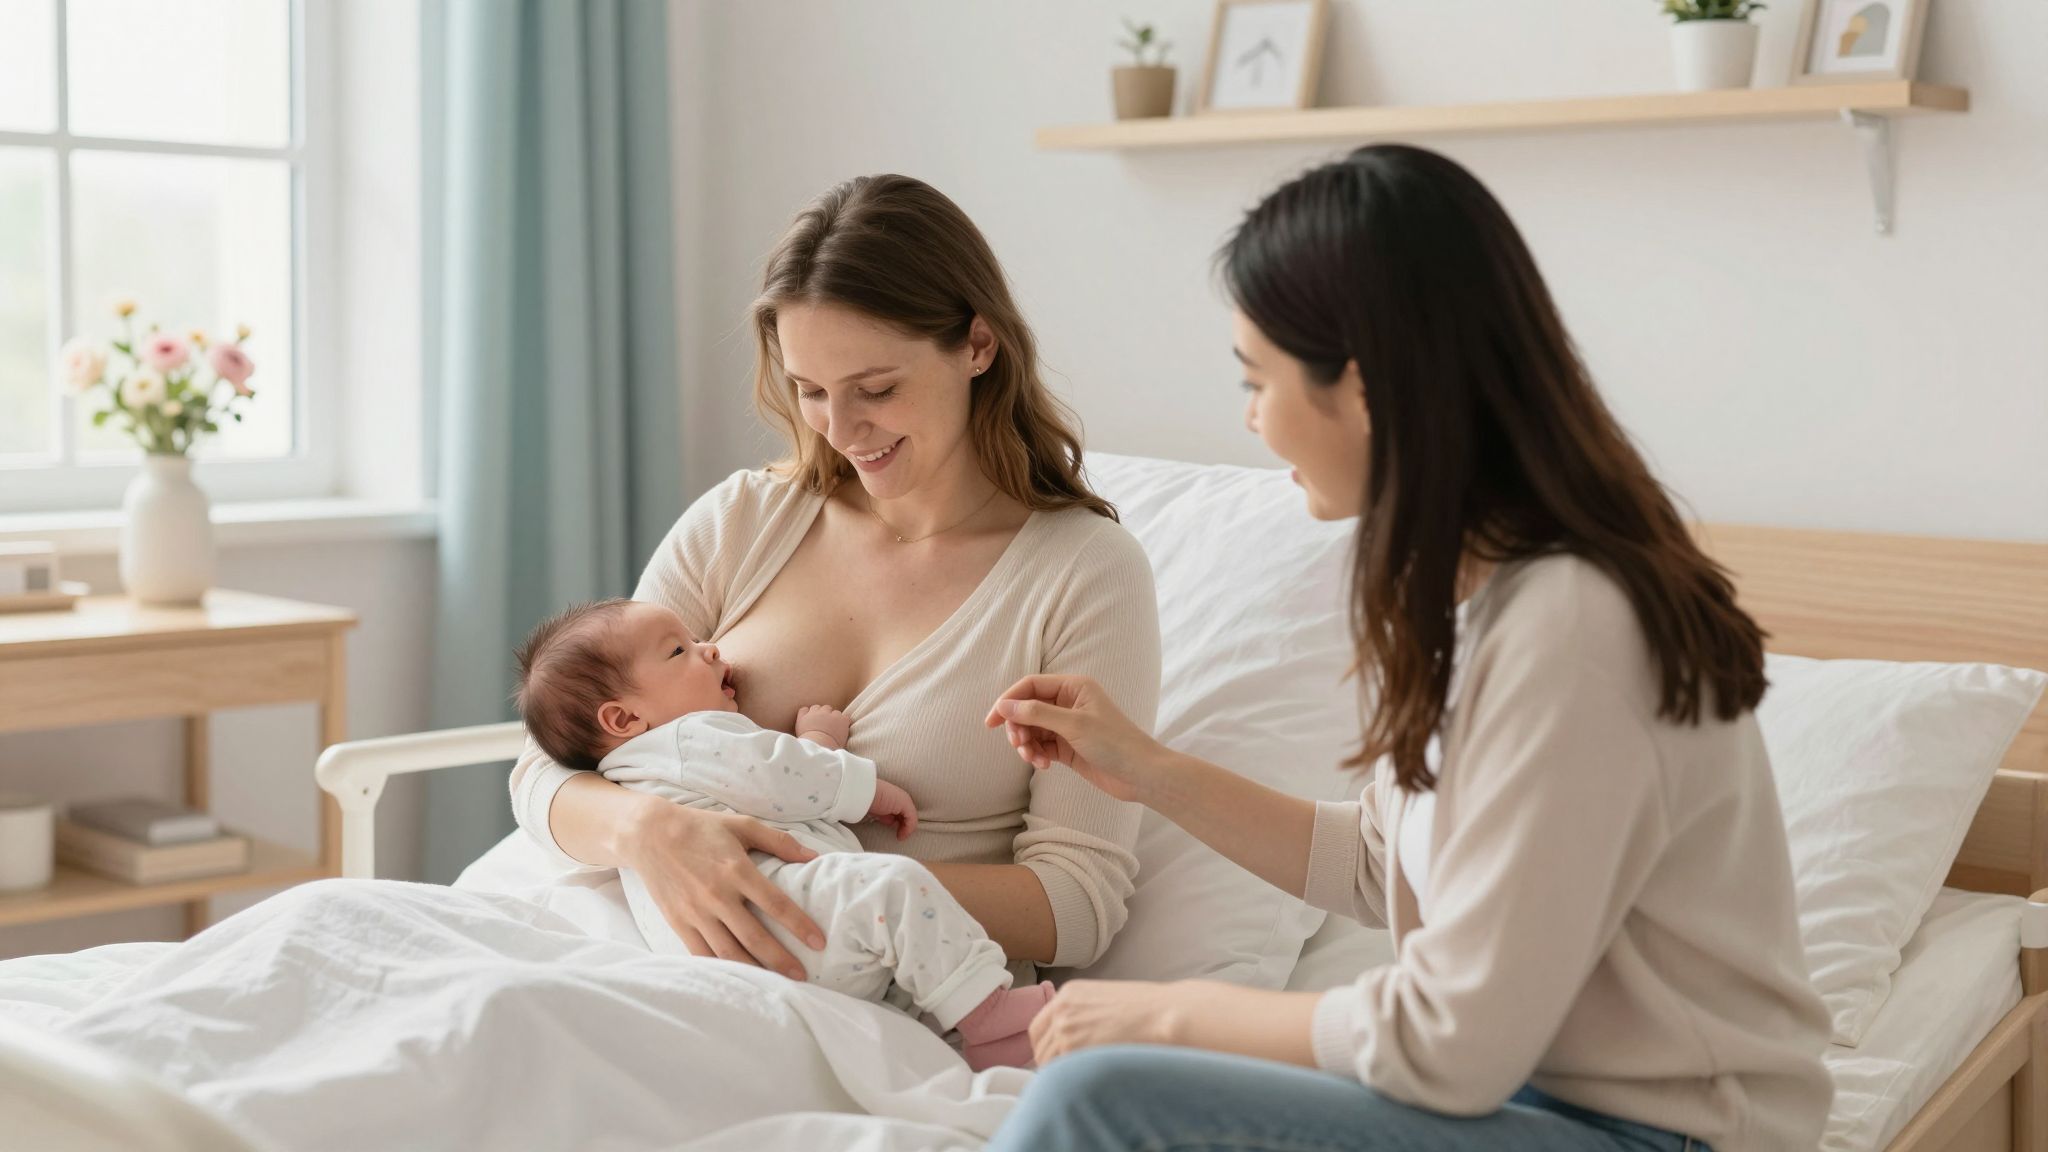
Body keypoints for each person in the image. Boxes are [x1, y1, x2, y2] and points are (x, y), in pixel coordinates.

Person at [985, 145, 1832, 1152]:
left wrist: (1159, 1015)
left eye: (1258, 379)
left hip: (1663, 1136)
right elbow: (1377, 864)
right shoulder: (1471, 604)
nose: (1249, 418)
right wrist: (1147, 770)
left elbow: (1449, 1042)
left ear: (1366, 386)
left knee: (1093, 1103)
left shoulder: (1569, 625)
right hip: (1537, 1110)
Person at [505, 174, 1161, 986]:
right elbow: (544, 768)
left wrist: (819, 891)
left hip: (872, 998)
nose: (842, 431)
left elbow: (1078, 903)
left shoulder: (1084, 575)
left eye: (876, 390)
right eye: (810, 391)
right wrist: (656, 835)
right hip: (633, 949)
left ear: (978, 347)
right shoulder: (745, 519)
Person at [512, 598, 1055, 1070]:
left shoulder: (628, 772)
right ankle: (990, 1019)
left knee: (891, 958)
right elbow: (775, 771)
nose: (711, 649)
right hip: (779, 912)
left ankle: (968, 1033)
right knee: (892, 889)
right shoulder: (686, 741)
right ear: (624, 721)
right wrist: (853, 776)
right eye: (679, 651)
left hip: (744, 956)